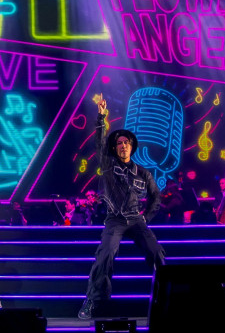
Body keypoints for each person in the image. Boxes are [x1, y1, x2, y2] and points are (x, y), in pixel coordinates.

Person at [78, 95, 164, 320]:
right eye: (119, 143)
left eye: (126, 142)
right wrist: (101, 117)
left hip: (135, 219)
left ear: (131, 147)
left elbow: (156, 196)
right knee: (105, 255)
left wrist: (146, 217)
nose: (123, 145)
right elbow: (100, 142)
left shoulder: (143, 173)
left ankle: (165, 297)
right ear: (115, 148)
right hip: (114, 219)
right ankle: (93, 302)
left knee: (157, 252)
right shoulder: (108, 165)